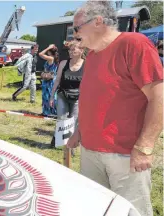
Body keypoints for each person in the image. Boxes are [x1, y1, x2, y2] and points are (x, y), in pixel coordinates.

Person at [68, 2, 163, 216]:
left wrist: (145, 147)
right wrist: (78, 132)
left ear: (98, 22)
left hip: (125, 155)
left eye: (76, 28)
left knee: (130, 212)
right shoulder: (91, 56)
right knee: (95, 209)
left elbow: (159, 98)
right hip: (91, 152)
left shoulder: (133, 43)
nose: (74, 35)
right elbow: (91, 99)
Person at [48, 41, 85, 149]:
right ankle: (56, 140)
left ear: (81, 51)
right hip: (62, 95)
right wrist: (51, 96)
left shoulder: (86, 64)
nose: (70, 52)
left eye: (73, 50)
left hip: (77, 98)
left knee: (73, 122)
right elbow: (57, 80)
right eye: (70, 50)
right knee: (62, 119)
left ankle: (70, 146)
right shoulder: (64, 63)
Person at [39, 44, 59, 117]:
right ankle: (47, 111)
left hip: (49, 81)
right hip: (50, 79)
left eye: (48, 50)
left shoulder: (50, 58)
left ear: (50, 51)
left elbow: (40, 54)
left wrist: (48, 47)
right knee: (49, 96)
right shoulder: (53, 58)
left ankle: (49, 112)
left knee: (48, 96)